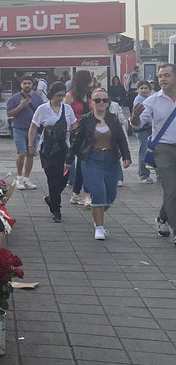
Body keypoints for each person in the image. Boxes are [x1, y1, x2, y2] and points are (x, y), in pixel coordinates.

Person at [67, 87, 131, 239]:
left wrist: (126, 156)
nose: (101, 103)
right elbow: (77, 141)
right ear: (91, 102)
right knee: (98, 192)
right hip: (91, 159)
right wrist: (69, 160)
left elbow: (121, 139)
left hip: (111, 159)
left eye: (104, 100)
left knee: (111, 194)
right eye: (97, 100)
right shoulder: (86, 119)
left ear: (108, 102)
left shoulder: (113, 119)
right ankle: (99, 227)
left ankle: (98, 213)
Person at [138, 63, 176, 242]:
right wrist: (134, 118)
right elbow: (138, 123)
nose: (162, 79)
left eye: (167, 75)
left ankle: (163, 218)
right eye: (160, 76)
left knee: (173, 192)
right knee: (171, 188)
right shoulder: (152, 100)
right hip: (163, 148)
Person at [28, 81, 76, 222]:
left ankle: (51, 198)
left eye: (63, 95)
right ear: (51, 95)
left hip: (64, 149)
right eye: (58, 95)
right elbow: (33, 127)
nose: (61, 98)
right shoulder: (42, 109)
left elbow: (74, 125)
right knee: (53, 180)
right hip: (48, 151)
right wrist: (31, 145)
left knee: (64, 179)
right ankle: (56, 210)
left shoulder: (67, 109)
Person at [7, 75, 43, 189]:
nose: (27, 85)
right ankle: (19, 177)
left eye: (29, 83)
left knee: (30, 154)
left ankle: (26, 178)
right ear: (21, 85)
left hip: (33, 129)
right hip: (19, 128)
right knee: (21, 153)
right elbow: (9, 114)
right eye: (25, 83)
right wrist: (21, 106)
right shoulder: (14, 98)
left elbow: (42, 112)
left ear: (32, 85)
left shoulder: (37, 98)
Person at [65, 70, 93, 205]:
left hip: (89, 132)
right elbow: (64, 115)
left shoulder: (88, 95)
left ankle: (76, 193)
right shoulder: (70, 96)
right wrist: (72, 126)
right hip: (76, 133)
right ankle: (86, 193)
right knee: (83, 162)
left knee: (83, 163)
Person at [131, 81, 154, 184]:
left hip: (149, 128)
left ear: (150, 89)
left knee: (152, 150)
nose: (144, 90)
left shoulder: (149, 98)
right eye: (141, 88)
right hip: (143, 129)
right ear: (137, 90)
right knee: (144, 150)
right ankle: (143, 174)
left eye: (146, 88)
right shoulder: (139, 100)